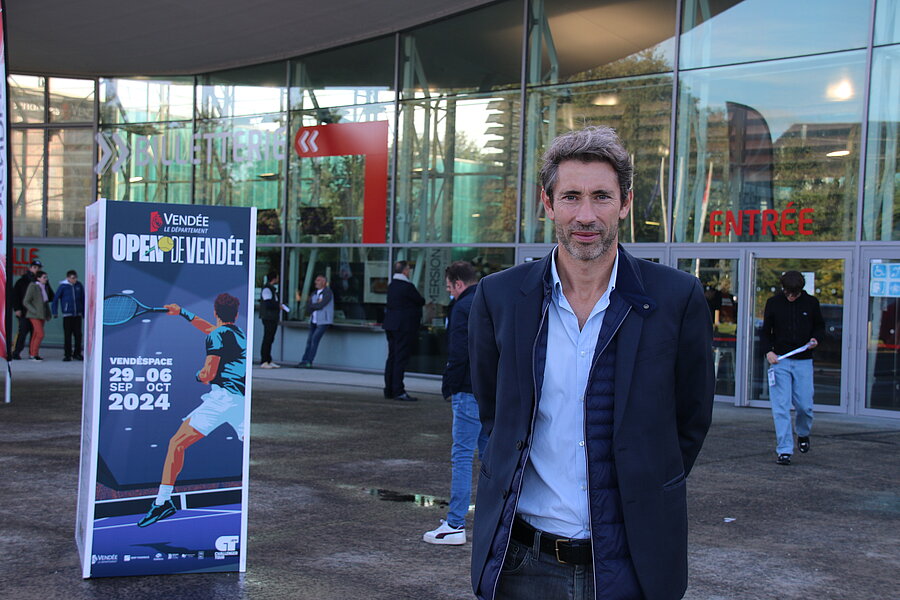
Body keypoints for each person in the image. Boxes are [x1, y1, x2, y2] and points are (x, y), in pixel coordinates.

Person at [468, 126, 715, 600]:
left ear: (625, 203)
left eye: (601, 197)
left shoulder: (675, 298)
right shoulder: (500, 298)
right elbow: (494, 413)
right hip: (523, 563)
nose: (586, 215)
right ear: (548, 203)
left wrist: (645, 484)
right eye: (571, 196)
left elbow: (691, 420)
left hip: (631, 561)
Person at [138, 293, 246, 527]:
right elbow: (210, 330)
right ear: (236, 314)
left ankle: (162, 503)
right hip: (241, 401)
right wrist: (183, 312)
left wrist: (198, 376)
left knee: (176, 444)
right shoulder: (238, 334)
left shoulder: (218, 335)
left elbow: (208, 374)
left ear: (216, 312)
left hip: (222, 400)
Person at [423, 261, 486, 545]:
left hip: (467, 390)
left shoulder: (462, 307)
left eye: (449, 287)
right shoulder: (488, 302)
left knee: (461, 457)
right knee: (488, 458)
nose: (449, 291)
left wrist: (449, 384)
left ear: (459, 284)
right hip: (488, 392)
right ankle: (491, 521)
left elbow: (459, 352)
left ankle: (455, 524)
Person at [760, 270, 825, 466]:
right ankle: (784, 450)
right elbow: (765, 332)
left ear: (800, 290)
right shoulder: (773, 303)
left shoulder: (811, 303)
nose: (791, 297)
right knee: (780, 407)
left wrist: (816, 339)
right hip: (780, 360)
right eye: (788, 293)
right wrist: (768, 352)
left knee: (805, 406)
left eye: (795, 294)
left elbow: (820, 327)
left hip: (804, 360)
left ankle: (803, 433)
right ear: (783, 289)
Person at [382, 261, 425, 402]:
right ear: (405, 271)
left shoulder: (392, 285)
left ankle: (389, 388)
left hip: (391, 325)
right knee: (400, 358)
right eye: (408, 269)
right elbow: (420, 300)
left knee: (392, 357)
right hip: (403, 326)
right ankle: (398, 390)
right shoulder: (407, 286)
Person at [297, 274, 334, 368]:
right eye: (316, 280)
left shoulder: (327, 293)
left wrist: (314, 305)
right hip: (314, 320)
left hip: (323, 321)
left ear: (324, 282)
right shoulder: (314, 293)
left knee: (314, 340)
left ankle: (309, 361)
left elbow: (321, 305)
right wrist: (314, 305)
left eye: (318, 280)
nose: (315, 282)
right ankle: (304, 360)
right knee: (309, 341)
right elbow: (308, 306)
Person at [12, 260, 44, 359]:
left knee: (35, 332)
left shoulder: (41, 281)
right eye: (34, 267)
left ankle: (33, 353)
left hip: (36, 313)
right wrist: (17, 308)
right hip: (24, 311)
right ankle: (16, 352)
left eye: (38, 268)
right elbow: (15, 296)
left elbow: (47, 297)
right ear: (30, 268)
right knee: (23, 332)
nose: (36, 269)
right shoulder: (22, 281)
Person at [51, 269, 85, 361]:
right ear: (68, 278)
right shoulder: (63, 287)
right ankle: (67, 354)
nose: (74, 280)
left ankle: (77, 353)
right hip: (67, 315)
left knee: (78, 335)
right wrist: (55, 312)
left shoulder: (79, 285)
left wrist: (84, 313)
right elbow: (55, 299)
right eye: (72, 278)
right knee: (68, 335)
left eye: (75, 278)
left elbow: (83, 299)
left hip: (77, 314)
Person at [23, 270, 54, 361]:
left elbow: (45, 302)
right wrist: (34, 310)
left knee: (36, 334)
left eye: (46, 277)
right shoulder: (33, 286)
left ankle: (33, 354)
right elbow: (26, 301)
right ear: (38, 278)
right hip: (35, 315)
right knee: (40, 334)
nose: (46, 279)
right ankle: (33, 354)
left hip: (42, 314)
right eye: (44, 277)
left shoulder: (44, 287)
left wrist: (48, 313)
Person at [259, 271, 282, 369]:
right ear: (274, 279)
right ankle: (264, 360)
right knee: (267, 338)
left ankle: (269, 359)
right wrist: (278, 306)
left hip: (273, 317)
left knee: (270, 338)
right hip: (268, 317)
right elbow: (268, 303)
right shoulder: (267, 289)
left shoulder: (272, 290)